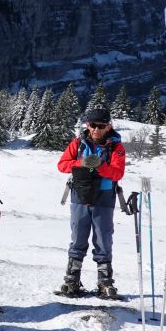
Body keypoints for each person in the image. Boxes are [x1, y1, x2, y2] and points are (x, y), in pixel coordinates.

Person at [57, 107, 126, 297]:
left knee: (103, 238)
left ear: (108, 126)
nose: (96, 129)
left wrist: (101, 166)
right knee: (78, 236)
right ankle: (71, 280)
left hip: (104, 197)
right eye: (93, 125)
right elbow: (62, 165)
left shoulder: (116, 147)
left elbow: (118, 173)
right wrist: (82, 163)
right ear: (87, 125)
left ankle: (105, 281)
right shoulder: (78, 143)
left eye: (101, 126)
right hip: (80, 195)